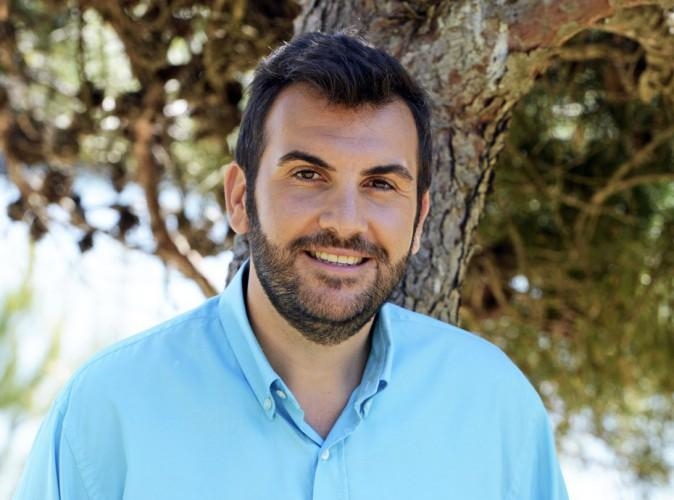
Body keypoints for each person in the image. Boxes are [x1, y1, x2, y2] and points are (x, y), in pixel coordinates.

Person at [15, 32, 568, 499]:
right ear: (240, 198)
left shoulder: (496, 409)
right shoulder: (108, 412)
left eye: (380, 184)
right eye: (308, 175)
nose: (345, 222)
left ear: (420, 219)